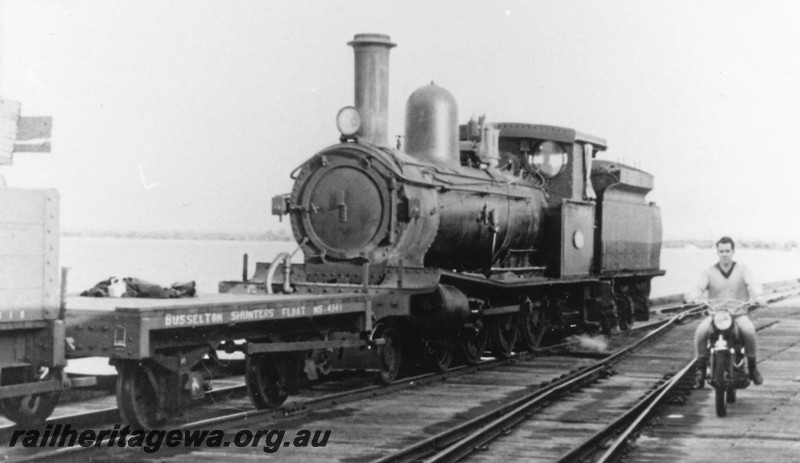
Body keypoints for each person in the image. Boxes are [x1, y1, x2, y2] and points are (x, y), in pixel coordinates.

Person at [685, 236, 764, 389]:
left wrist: (759, 296)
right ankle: (700, 372)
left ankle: (753, 369)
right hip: (716, 315)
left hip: (737, 313)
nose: (725, 254)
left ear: (733, 251)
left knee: (749, 332)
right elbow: (698, 286)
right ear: (717, 252)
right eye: (721, 251)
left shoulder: (743, 269)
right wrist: (693, 295)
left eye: (727, 251)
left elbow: (753, 283)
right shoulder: (709, 271)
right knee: (700, 332)